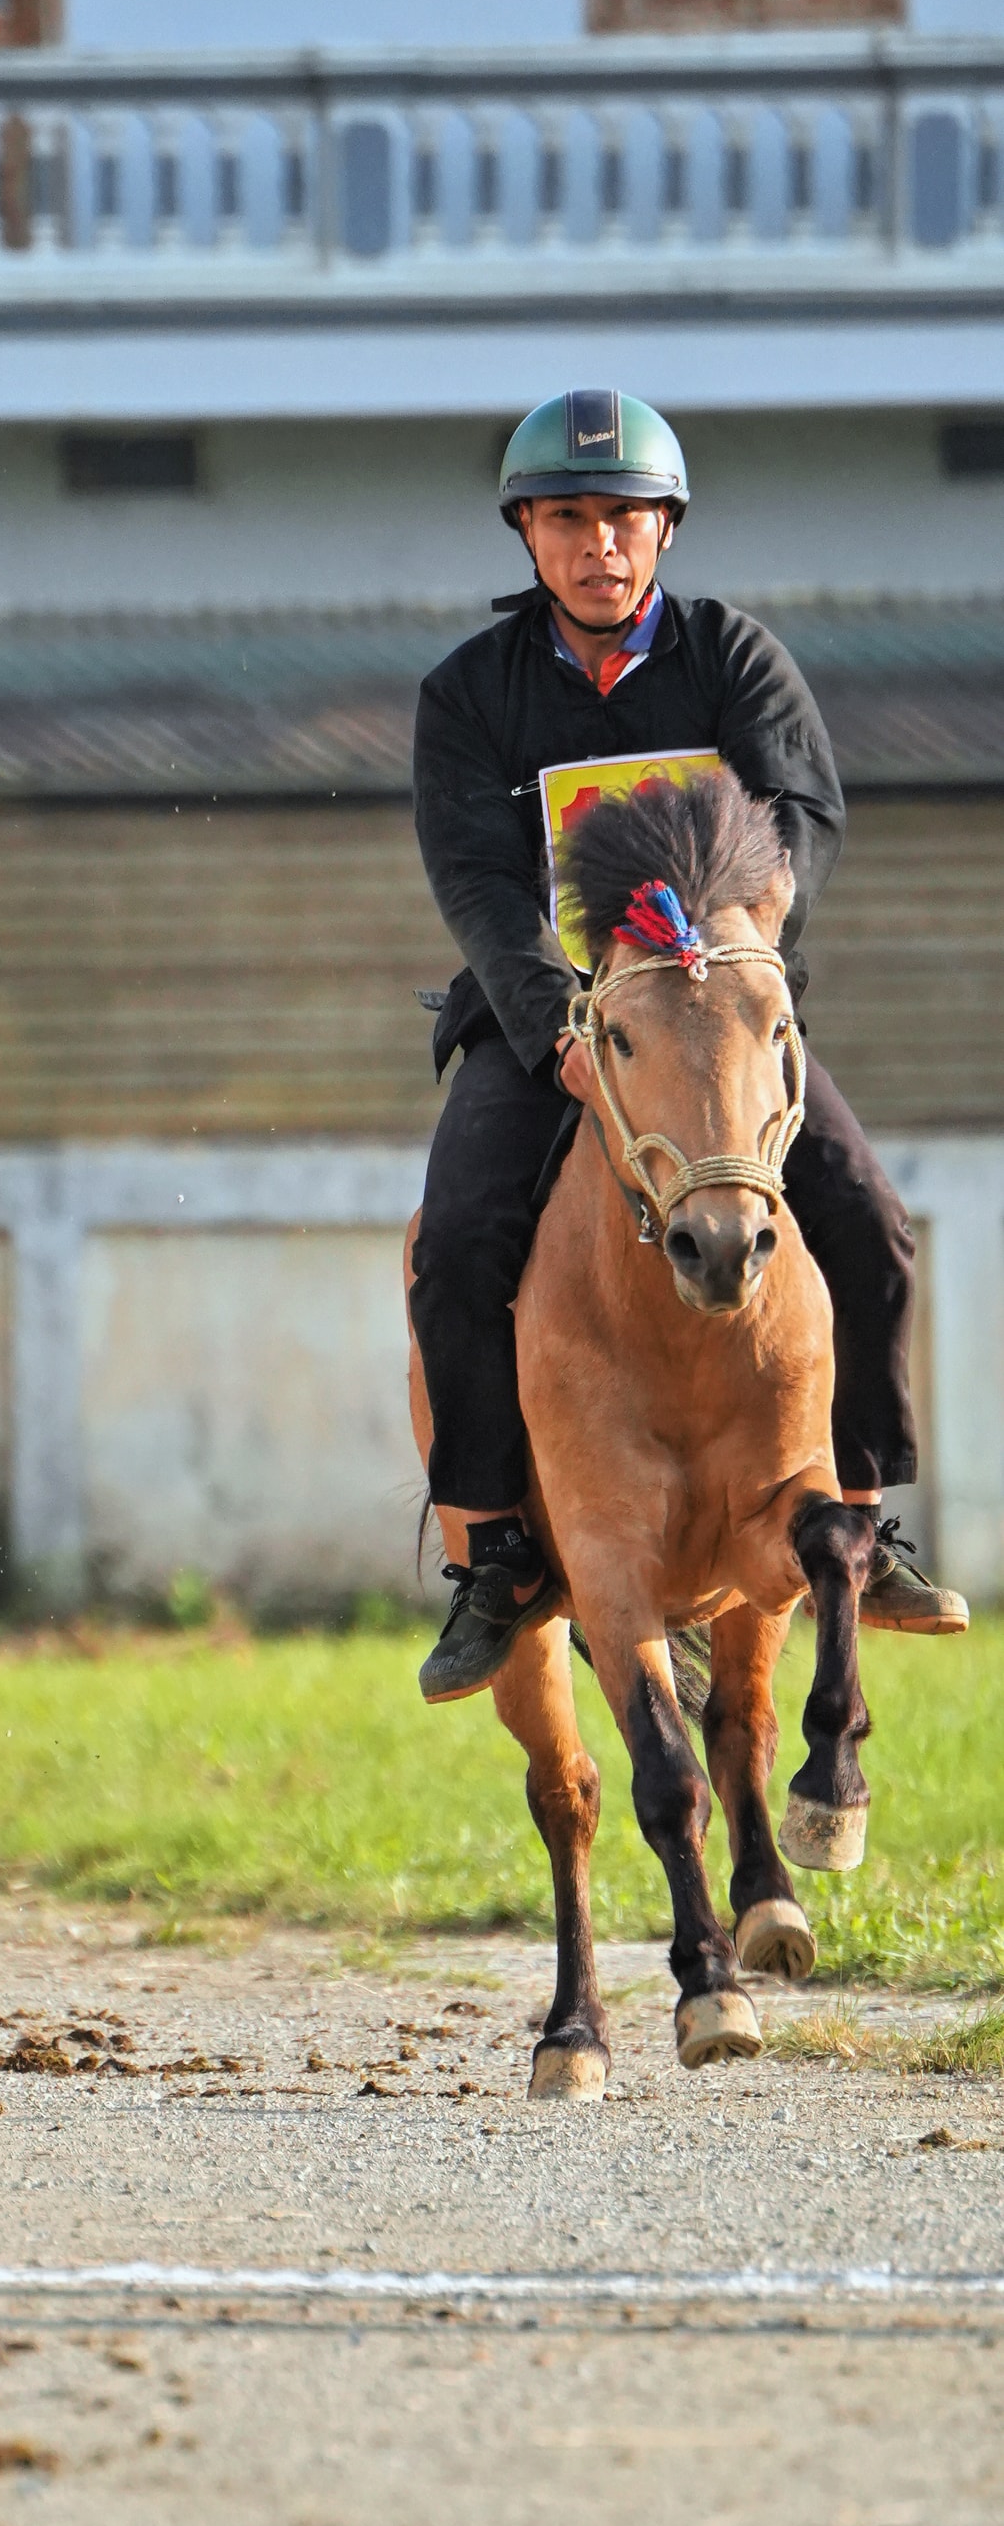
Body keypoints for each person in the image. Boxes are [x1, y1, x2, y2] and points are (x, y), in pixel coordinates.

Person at [408, 384, 965, 1703]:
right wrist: (555, 1022)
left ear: (665, 528)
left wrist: (737, 952)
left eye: (623, 517)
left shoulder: (738, 660)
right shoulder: (467, 693)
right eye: (566, 520)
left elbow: (800, 821)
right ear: (527, 534)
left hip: (718, 1026)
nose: (597, 544)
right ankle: (493, 1557)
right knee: (458, 1244)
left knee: (872, 1222)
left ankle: (864, 1518)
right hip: (549, 1030)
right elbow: (478, 881)